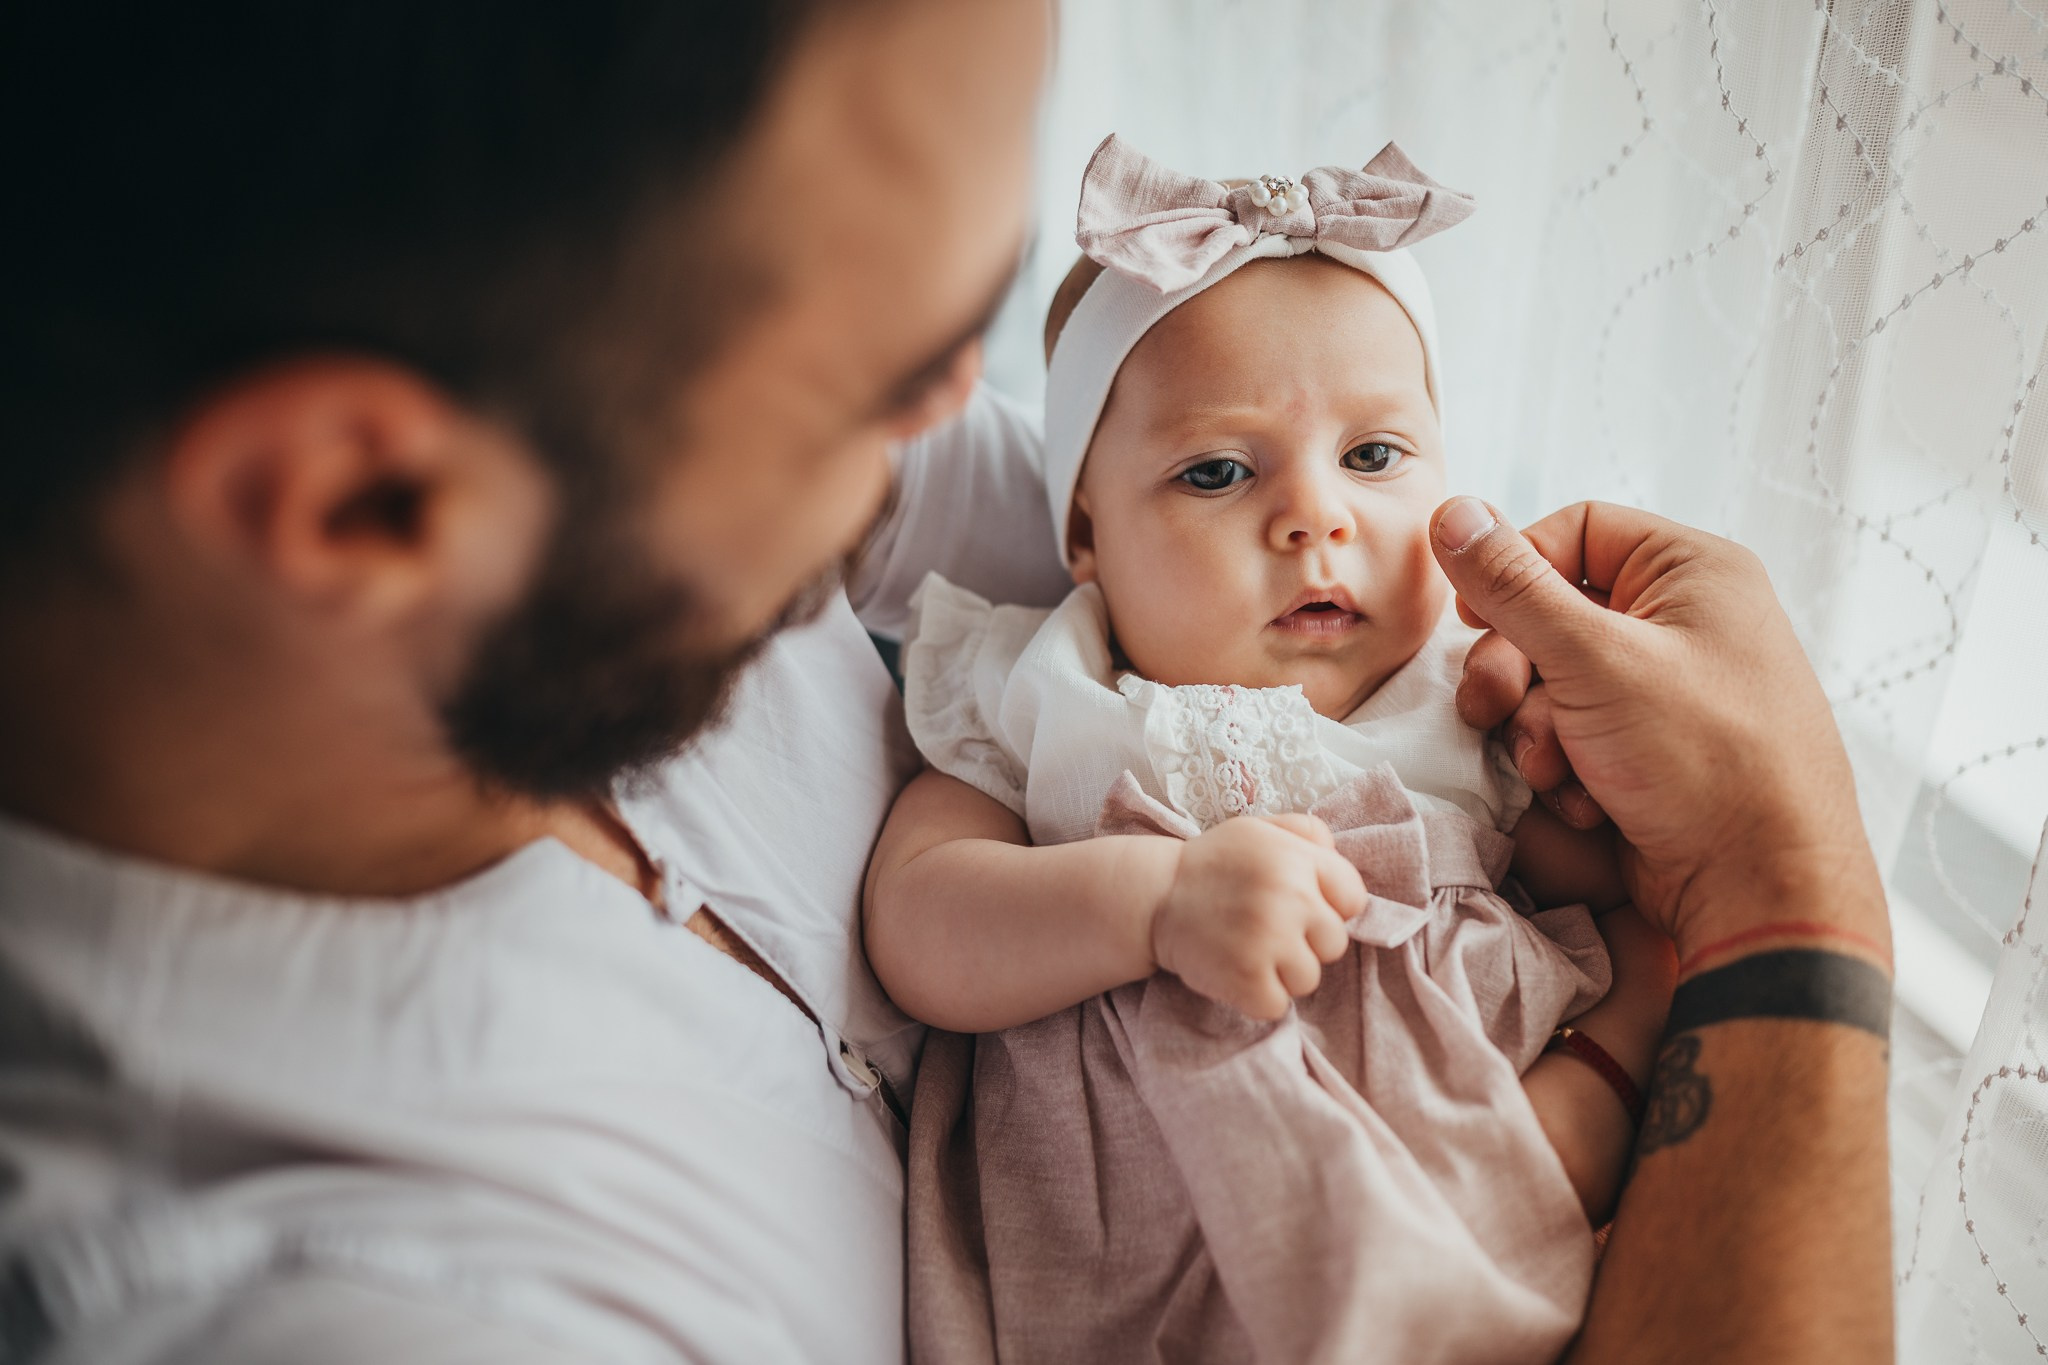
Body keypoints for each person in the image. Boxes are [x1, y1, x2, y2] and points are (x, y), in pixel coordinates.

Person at [0, 4, 1893, 1364]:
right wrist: (1788, 901)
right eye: (892, 366)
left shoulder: (604, 482)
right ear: (365, 504)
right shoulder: (404, 1305)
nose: (951, 426)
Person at [864, 136, 1673, 1364]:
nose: (1314, 516)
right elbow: (917, 922)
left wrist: (1591, 1098)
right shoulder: (1039, 689)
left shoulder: (1476, 695)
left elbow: (1630, 913)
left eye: (1372, 456)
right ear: (1085, 534)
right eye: (1216, 471)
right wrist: (1153, 903)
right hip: (1114, 1274)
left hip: (1450, 1225)